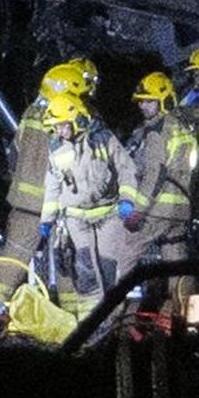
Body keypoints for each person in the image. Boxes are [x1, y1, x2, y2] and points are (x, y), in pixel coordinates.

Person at [0, 62, 90, 303]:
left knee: (13, 259)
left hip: (24, 204)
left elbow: (13, 153)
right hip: (57, 204)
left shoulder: (30, 115)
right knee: (66, 261)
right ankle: (73, 318)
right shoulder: (66, 120)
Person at [38, 91, 142, 320]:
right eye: (56, 127)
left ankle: (113, 320)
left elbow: (127, 169)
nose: (60, 132)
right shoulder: (57, 148)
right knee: (85, 272)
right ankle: (90, 324)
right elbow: (53, 186)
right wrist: (46, 221)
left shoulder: (103, 139)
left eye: (64, 125)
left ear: (79, 119)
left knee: (108, 269)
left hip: (108, 215)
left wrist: (127, 200)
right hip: (75, 218)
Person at [121, 71, 199, 313]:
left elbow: (155, 172)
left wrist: (139, 210)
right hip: (181, 209)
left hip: (158, 209)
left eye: (150, 101)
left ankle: (111, 312)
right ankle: (182, 315)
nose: (143, 106)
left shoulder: (157, 130)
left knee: (124, 254)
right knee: (176, 264)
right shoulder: (183, 127)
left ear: (164, 100)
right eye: (142, 101)